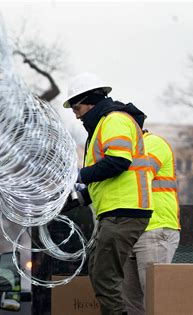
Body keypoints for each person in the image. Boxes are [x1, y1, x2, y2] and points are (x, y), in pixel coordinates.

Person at [62, 73, 154, 315]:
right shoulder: (103, 125)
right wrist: (75, 200)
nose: (75, 113)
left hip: (124, 211)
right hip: (116, 211)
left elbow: (117, 163)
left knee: (104, 277)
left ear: (90, 100)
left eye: (76, 106)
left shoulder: (113, 121)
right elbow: (104, 181)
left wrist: (78, 176)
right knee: (99, 269)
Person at [122, 131, 181, 315]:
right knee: (131, 305)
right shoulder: (123, 152)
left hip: (154, 228)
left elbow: (135, 180)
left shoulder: (152, 143)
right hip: (128, 231)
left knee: (155, 302)